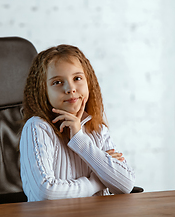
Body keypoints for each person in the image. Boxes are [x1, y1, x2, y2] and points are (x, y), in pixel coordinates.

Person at [20, 44, 135, 202]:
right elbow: (46, 193)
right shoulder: (37, 127)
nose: (70, 88)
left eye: (77, 78)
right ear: (43, 91)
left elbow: (125, 184)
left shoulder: (98, 130)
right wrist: (96, 181)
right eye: (57, 82)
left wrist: (79, 139)